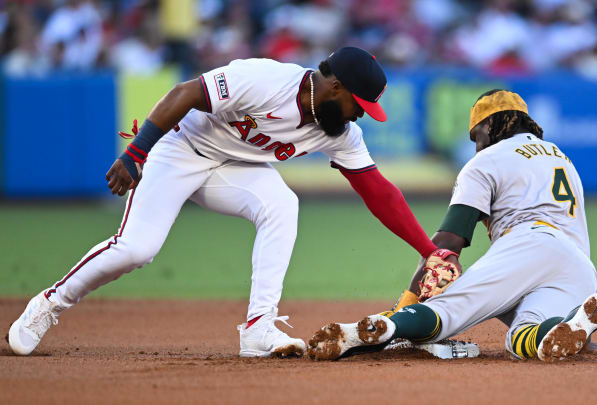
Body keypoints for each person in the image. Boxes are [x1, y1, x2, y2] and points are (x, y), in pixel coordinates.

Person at [6, 47, 460, 358]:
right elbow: (184, 94)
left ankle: (258, 329)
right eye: (359, 104)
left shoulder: (339, 133)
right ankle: (48, 304)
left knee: (282, 206)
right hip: (179, 150)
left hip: (233, 168)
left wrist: (427, 249)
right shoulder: (266, 79)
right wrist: (135, 153)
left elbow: (378, 190)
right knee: (137, 249)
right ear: (335, 87)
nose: (362, 115)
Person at [308, 89, 597, 362]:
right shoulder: (562, 159)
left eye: (476, 136)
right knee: (523, 337)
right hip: (579, 269)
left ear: (490, 125)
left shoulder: (488, 160)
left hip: (528, 244)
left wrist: (410, 300)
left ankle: (383, 326)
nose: (476, 145)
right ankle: (567, 326)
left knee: (447, 311)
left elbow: (447, 243)